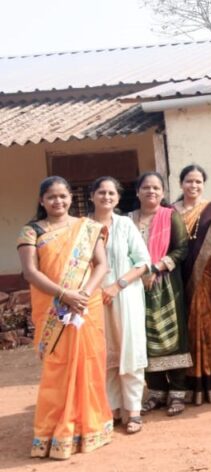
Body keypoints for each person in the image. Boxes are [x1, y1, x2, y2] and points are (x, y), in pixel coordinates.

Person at [18, 176, 112, 459]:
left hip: (86, 305)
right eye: (51, 197)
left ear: (71, 197)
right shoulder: (30, 231)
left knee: (90, 364)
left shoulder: (88, 228)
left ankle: (91, 428)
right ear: (41, 201)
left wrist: (82, 294)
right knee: (57, 369)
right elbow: (30, 273)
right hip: (53, 308)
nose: (58, 201)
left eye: (63, 196)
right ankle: (53, 433)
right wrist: (63, 294)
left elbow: (102, 265)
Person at [90, 177, 150, 435]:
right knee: (105, 354)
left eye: (111, 193)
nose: (106, 197)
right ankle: (111, 409)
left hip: (125, 296)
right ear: (92, 196)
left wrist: (117, 285)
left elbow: (143, 262)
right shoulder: (82, 226)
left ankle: (133, 410)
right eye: (101, 192)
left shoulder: (125, 224)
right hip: (93, 297)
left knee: (130, 349)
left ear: (117, 196)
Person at [131, 172, 192, 416]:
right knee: (143, 336)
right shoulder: (128, 220)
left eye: (156, 188)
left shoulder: (170, 216)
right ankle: (156, 391)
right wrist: (138, 273)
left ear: (163, 193)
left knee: (172, 334)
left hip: (166, 284)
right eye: (146, 187)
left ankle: (177, 392)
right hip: (136, 287)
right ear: (137, 192)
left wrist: (156, 267)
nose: (151, 192)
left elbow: (182, 249)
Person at [174, 165, 211, 406]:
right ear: (181, 184)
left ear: (204, 184)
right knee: (187, 326)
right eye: (189, 181)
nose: (193, 186)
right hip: (179, 275)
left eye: (198, 181)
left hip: (209, 274)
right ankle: (190, 380)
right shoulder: (170, 211)